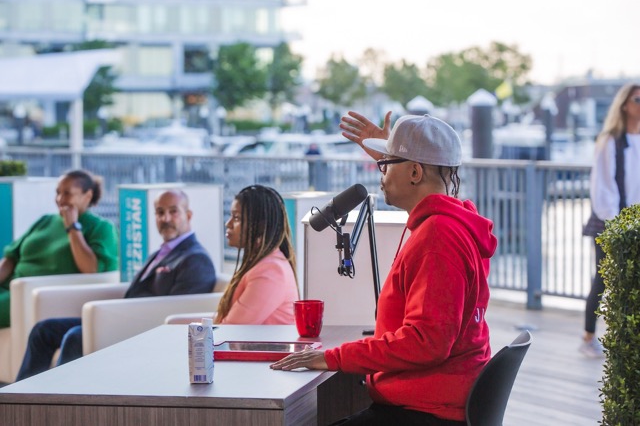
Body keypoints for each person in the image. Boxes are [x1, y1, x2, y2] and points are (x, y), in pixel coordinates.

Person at [271, 112, 498, 426]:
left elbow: (426, 342)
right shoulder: (451, 223)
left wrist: (331, 357)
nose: (379, 173)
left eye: (385, 165)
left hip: (426, 410)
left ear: (415, 172)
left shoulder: (437, 238)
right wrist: (394, 159)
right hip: (434, 399)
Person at [16, 189, 217, 380]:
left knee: (76, 336)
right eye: (159, 212)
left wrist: (118, 316)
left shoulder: (196, 258)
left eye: (173, 212)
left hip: (147, 328)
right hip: (124, 319)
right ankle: (19, 401)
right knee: (44, 330)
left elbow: (181, 310)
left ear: (188, 215)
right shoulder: (162, 253)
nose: (165, 219)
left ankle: (53, 404)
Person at [0, 169, 118, 328]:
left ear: (87, 195)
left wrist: (73, 228)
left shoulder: (101, 228)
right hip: (9, 288)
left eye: (67, 194)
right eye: (58, 193)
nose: (60, 199)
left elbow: (92, 269)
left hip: (34, 296)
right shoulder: (46, 220)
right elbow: (11, 257)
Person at [580, 83, 640, 358]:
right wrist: (618, 224)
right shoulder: (609, 141)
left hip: (634, 222)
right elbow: (603, 188)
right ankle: (588, 337)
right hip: (610, 223)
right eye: (637, 99)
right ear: (625, 105)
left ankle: (625, 339)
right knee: (603, 279)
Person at [215, 184, 299, 324]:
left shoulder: (271, 271)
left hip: (257, 346)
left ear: (260, 225)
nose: (228, 224)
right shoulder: (263, 263)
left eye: (236, 218)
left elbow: (232, 329)